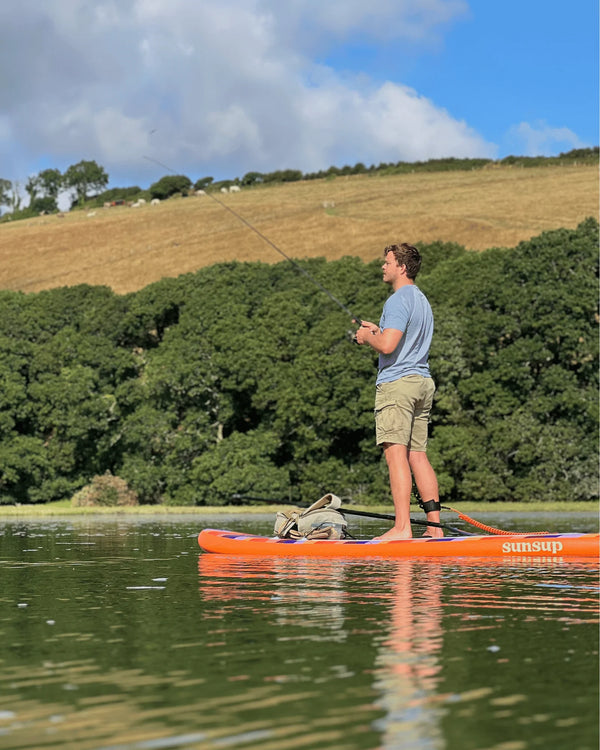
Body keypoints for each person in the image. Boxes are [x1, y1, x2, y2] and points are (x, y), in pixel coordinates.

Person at [355, 243, 442, 540]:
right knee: (418, 454)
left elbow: (389, 346)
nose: (383, 266)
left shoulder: (397, 300)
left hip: (398, 385)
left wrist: (368, 337)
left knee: (397, 456)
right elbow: (401, 341)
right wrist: (378, 332)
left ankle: (402, 528)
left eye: (388, 262)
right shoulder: (421, 300)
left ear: (402, 267)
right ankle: (435, 528)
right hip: (422, 383)